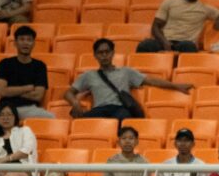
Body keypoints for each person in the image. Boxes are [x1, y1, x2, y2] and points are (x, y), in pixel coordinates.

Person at [65, 38, 193, 122]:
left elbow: (152, 81)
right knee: (82, 122)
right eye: (100, 53)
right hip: (100, 109)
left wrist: (176, 86)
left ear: (113, 53)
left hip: (119, 108)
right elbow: (68, 93)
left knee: (125, 120)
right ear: (95, 55)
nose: (104, 55)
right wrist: (75, 102)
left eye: (107, 52)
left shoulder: (126, 72)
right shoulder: (89, 75)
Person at [0, 26, 53, 119]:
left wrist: (11, 90)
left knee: (49, 117)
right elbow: (2, 92)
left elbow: (38, 96)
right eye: (22, 39)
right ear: (15, 43)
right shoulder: (5, 63)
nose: (25, 43)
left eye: (29, 40)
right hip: (6, 107)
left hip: (30, 109)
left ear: (33, 43)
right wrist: (28, 88)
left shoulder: (40, 66)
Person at [0, 101, 37, 176]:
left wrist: (7, 158)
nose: (5, 118)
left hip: (23, 170)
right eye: (2, 114)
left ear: (15, 117)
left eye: (9, 114)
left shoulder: (25, 131)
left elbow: (25, 151)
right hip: (1, 171)